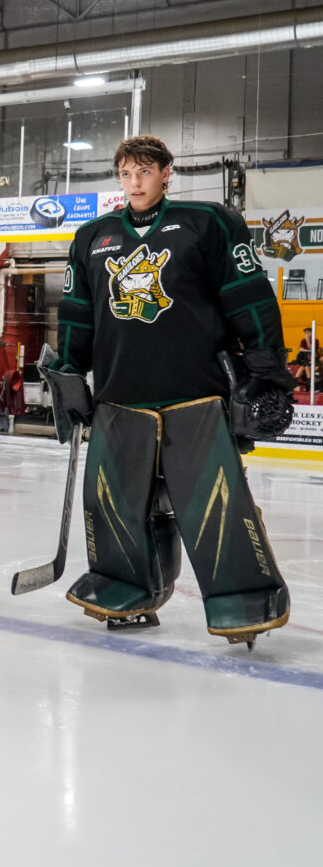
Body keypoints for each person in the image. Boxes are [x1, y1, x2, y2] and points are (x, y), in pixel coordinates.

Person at [51, 135, 294, 644]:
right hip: (120, 393)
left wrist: (265, 368)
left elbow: (246, 295)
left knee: (214, 502)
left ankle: (243, 595)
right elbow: (76, 312)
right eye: (125, 173)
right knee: (113, 503)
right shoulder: (92, 237)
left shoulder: (207, 223)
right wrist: (70, 373)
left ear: (167, 173)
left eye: (144, 171)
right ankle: (126, 585)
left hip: (196, 391)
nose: (134, 181)